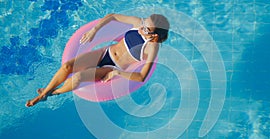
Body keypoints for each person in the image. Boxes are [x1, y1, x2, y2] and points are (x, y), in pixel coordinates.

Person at [26, 13, 170, 107]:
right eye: (144, 23)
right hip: (104, 53)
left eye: (146, 29)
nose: (142, 27)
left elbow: (141, 77)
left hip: (113, 67)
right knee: (67, 66)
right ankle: (46, 92)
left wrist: (116, 74)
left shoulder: (152, 48)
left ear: (154, 35)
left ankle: (49, 94)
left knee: (78, 78)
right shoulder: (138, 23)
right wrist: (93, 30)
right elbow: (112, 16)